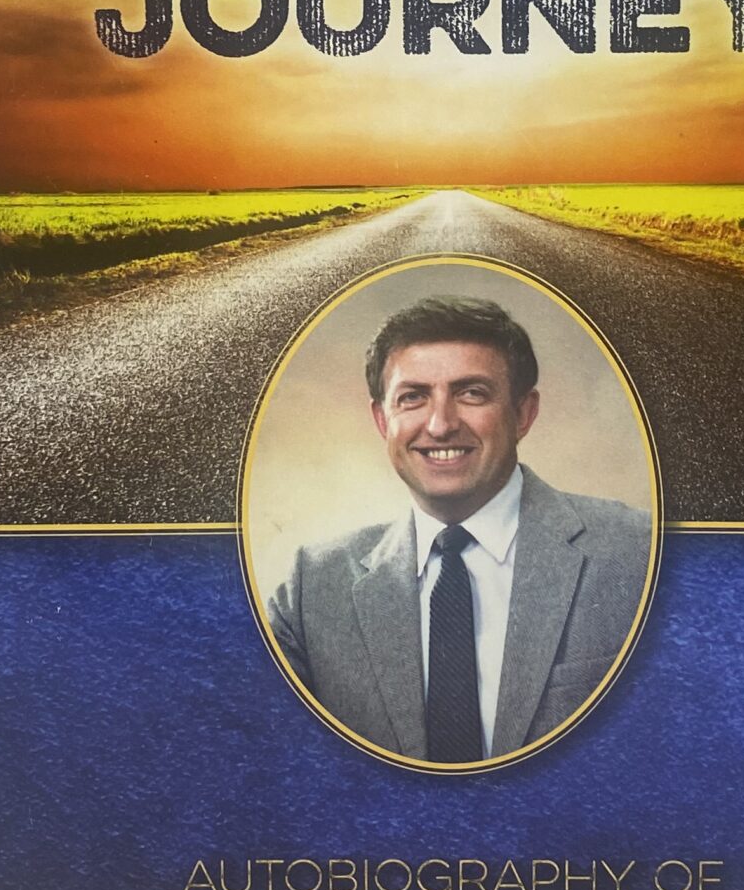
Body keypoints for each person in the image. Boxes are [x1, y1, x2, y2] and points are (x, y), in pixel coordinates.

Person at [265, 295, 652, 764]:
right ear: (382, 420)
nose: (441, 425)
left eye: (471, 393)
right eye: (413, 397)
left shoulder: (639, 553)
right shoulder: (311, 589)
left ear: (523, 414)